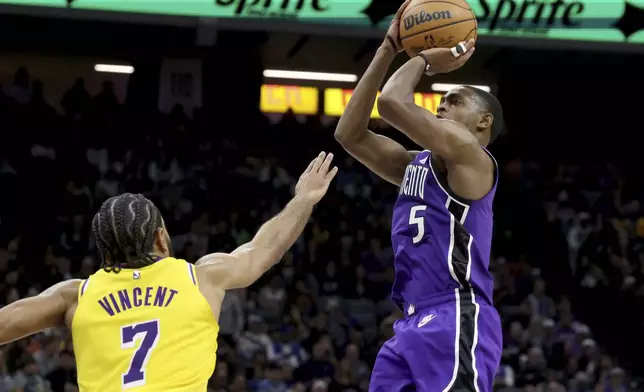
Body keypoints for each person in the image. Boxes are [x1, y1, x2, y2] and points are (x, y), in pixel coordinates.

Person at [0, 152, 338, 392]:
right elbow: (264, 250)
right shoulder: (202, 277)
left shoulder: (75, 295)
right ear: (161, 237)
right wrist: (303, 200)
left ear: (104, 252)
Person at [334, 3, 504, 391]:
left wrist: (427, 59)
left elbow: (392, 103)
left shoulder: (470, 157)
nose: (442, 105)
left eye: (455, 101)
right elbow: (350, 135)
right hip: (411, 321)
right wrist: (387, 49)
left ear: (483, 121)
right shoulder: (418, 164)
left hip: (455, 312)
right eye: (441, 101)